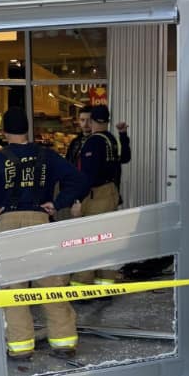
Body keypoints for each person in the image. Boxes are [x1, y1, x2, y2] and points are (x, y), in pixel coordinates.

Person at [0, 107, 89, 360]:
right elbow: (79, 180)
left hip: (8, 223)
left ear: (4, 132)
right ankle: (64, 343)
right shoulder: (47, 156)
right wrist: (57, 203)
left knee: (14, 289)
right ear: (27, 131)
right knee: (52, 285)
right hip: (41, 222)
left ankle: (21, 347)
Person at [70, 104, 129, 284]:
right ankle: (105, 285)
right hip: (111, 193)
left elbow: (88, 176)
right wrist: (123, 135)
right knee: (106, 240)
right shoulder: (113, 139)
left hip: (96, 196)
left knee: (88, 241)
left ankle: (84, 285)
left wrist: (78, 200)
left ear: (94, 121)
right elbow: (125, 157)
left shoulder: (93, 142)